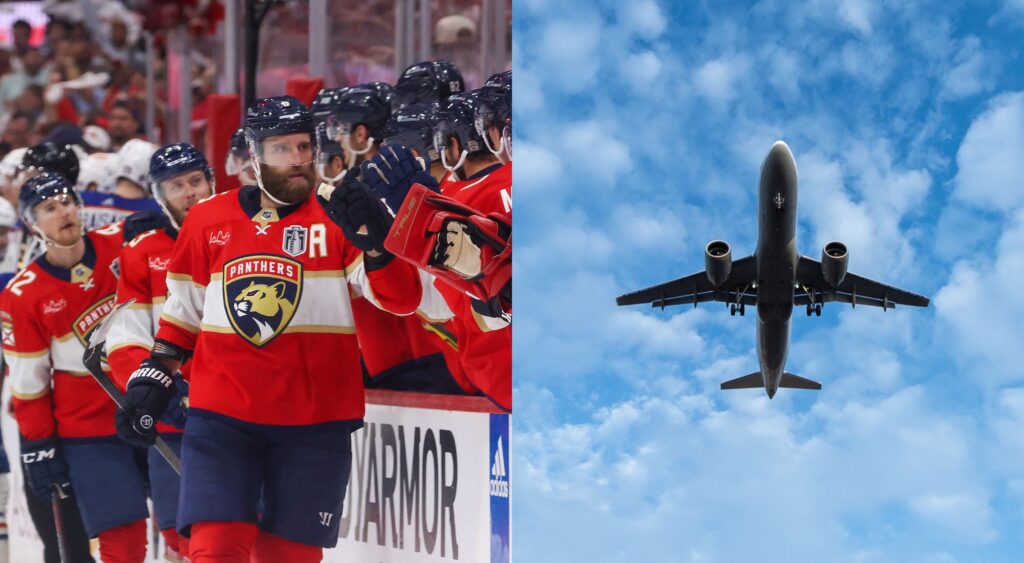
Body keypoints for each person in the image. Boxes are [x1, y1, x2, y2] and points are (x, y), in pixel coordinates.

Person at [115, 96, 422, 562]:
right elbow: (182, 320)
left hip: (315, 426)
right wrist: (151, 379)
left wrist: (379, 249)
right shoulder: (206, 221)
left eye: (305, 146)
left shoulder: (341, 216)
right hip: (222, 420)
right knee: (214, 550)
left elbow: (401, 301)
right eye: (283, 149)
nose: (299, 159)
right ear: (254, 158)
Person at [0, 172, 150, 562]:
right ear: (33, 224)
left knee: (190, 523)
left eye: (67, 201)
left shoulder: (123, 243)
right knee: (124, 540)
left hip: (154, 406)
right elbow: (29, 383)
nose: (64, 211)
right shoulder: (23, 294)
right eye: (50, 208)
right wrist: (39, 444)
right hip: (90, 431)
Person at [105, 143, 213, 562]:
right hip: (174, 413)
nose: (189, 192)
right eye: (176, 186)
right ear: (159, 196)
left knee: (237, 530)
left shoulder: (242, 232)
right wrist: (154, 388)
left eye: (195, 181)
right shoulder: (140, 252)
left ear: (211, 182)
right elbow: (126, 336)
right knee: (177, 534)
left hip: (237, 413)